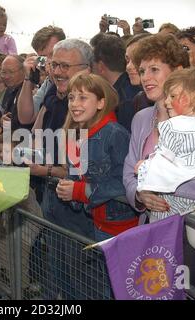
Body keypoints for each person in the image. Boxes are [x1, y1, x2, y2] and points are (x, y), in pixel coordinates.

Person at [123, 33, 195, 295]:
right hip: (154, 234)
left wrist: (165, 183)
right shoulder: (141, 118)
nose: (146, 78)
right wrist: (140, 193)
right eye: (142, 71)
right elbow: (130, 171)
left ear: (178, 71)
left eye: (154, 69)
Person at [56, 73, 138, 241]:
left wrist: (79, 191)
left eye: (83, 97)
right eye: (71, 98)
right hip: (96, 222)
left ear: (101, 103)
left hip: (123, 228)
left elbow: (125, 180)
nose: (74, 104)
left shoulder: (114, 133)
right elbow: (75, 174)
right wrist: (66, 188)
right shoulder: (73, 136)